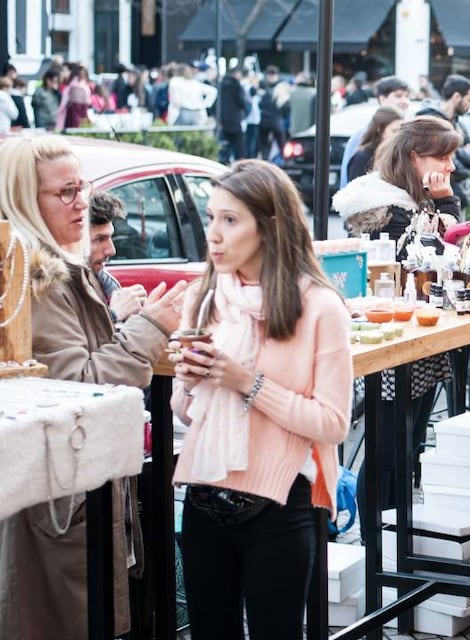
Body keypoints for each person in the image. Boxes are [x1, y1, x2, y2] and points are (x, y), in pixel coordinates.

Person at [0, 135, 187, 639]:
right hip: (59, 504)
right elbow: (81, 390)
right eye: (64, 192)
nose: (80, 200)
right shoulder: (38, 282)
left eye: (81, 187)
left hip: (72, 495)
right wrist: (148, 327)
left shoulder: (56, 270)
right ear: (24, 200)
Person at [169, 159, 352, 639]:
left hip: (279, 502)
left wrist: (245, 381)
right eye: (211, 218)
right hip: (205, 490)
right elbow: (186, 413)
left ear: (269, 227)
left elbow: (333, 424)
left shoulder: (318, 306)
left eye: (230, 220)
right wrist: (189, 382)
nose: (214, 234)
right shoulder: (206, 298)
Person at [331, 116, 461, 521]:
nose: (452, 166)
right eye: (444, 156)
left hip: (416, 338)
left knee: (408, 445)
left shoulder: (414, 199)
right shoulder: (383, 210)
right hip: (390, 341)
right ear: (414, 157)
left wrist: (445, 203)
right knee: (390, 449)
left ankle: (395, 538)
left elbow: (452, 253)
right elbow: (434, 261)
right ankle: (379, 544)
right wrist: (445, 207)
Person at [417, 74, 470, 208]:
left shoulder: (458, 124)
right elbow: (457, 170)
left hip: (455, 193)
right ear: (456, 97)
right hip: (436, 195)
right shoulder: (430, 121)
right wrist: (462, 152)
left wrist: (457, 152)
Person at [339, 75, 411, 188]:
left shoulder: (409, 131)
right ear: (382, 99)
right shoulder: (362, 137)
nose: (404, 101)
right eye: (398, 96)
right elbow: (349, 184)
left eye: (407, 96)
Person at [88, 189, 147, 322]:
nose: (111, 250)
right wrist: (114, 314)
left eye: (110, 238)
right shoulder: (55, 290)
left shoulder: (103, 282)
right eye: (99, 240)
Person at [345, 106, 403, 182]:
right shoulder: (362, 158)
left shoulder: (398, 155)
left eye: (401, 131)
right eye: (394, 131)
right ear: (379, 130)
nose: (398, 136)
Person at [218, 66, 250, 165]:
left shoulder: (221, 84)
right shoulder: (236, 84)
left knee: (224, 147)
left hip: (223, 120)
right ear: (236, 74)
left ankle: (224, 164)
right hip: (235, 119)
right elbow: (241, 102)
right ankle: (240, 165)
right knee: (239, 148)